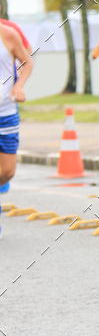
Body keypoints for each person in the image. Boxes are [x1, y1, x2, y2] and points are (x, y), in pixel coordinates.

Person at [0, 22, 34, 229]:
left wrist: (19, 86)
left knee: (7, 173)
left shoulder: (8, 33)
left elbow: (27, 62)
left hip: (6, 111)